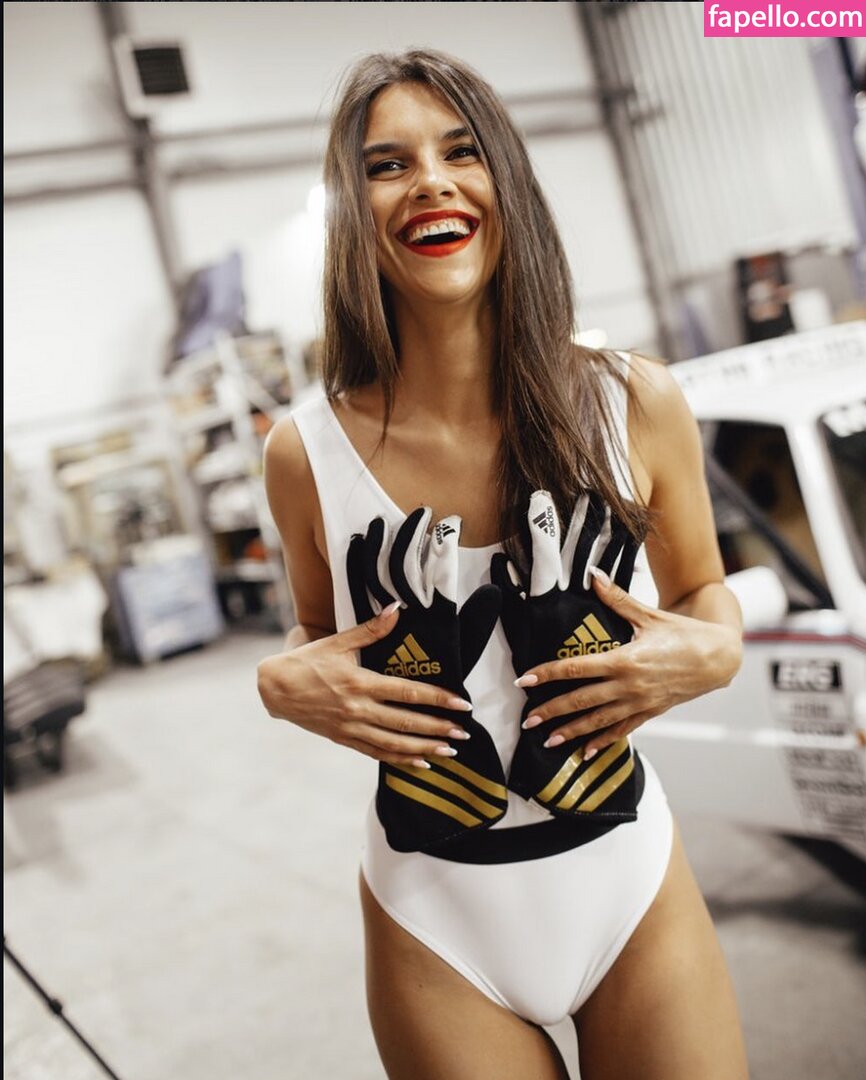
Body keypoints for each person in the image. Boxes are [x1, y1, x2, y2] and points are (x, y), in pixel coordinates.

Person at [257, 48, 749, 1080]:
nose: (430, 182)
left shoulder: (633, 401)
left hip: (625, 878)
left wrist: (716, 651)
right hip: (434, 913)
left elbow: (703, 590)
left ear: (505, 180)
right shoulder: (305, 454)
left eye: (461, 151)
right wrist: (283, 681)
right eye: (388, 165)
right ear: (352, 212)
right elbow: (319, 637)